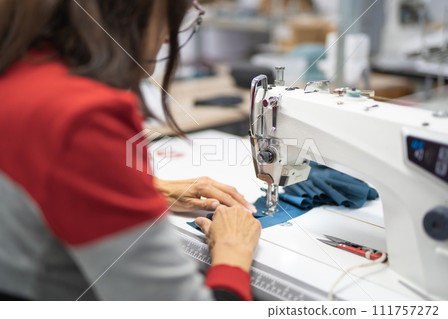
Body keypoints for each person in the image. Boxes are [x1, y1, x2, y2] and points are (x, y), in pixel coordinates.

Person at [0, 0, 261, 301]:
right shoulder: (84, 116)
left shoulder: (19, 74)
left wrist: (146, 191)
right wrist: (233, 251)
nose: (168, 38)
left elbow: (40, 181)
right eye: (173, 15)